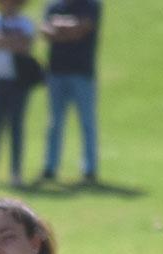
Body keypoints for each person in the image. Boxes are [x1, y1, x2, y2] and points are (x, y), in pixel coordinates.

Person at [38, 0, 103, 185]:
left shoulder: (90, 5)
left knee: (87, 122)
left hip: (82, 73)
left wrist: (59, 27)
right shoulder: (54, 6)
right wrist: (67, 29)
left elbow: (81, 29)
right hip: (56, 72)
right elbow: (45, 30)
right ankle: (50, 168)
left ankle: (89, 170)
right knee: (54, 123)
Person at [0, 0, 39, 188]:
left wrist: (1, 40)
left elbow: (25, 45)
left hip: (17, 80)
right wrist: (11, 41)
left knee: (16, 126)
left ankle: (16, 173)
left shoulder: (24, 22)